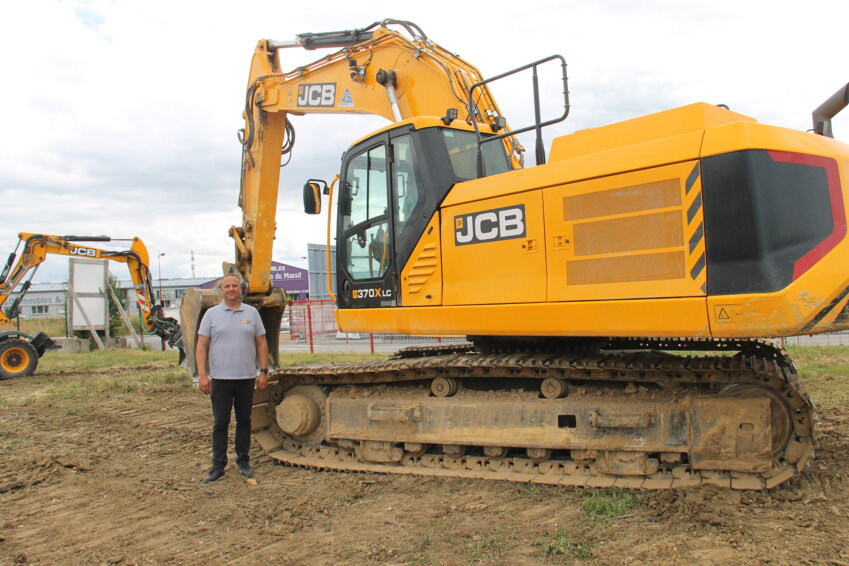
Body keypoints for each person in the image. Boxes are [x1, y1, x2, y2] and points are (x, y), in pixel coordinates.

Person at [196, 273, 269, 482]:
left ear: (240, 289)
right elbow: (201, 346)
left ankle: (243, 460)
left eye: (234, 286)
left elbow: (262, 343)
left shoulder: (252, 313)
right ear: (221, 290)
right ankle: (218, 465)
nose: (230, 289)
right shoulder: (211, 314)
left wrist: (263, 371)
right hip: (220, 379)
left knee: (244, 421)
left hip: (246, 378)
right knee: (220, 423)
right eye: (226, 286)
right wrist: (203, 375)